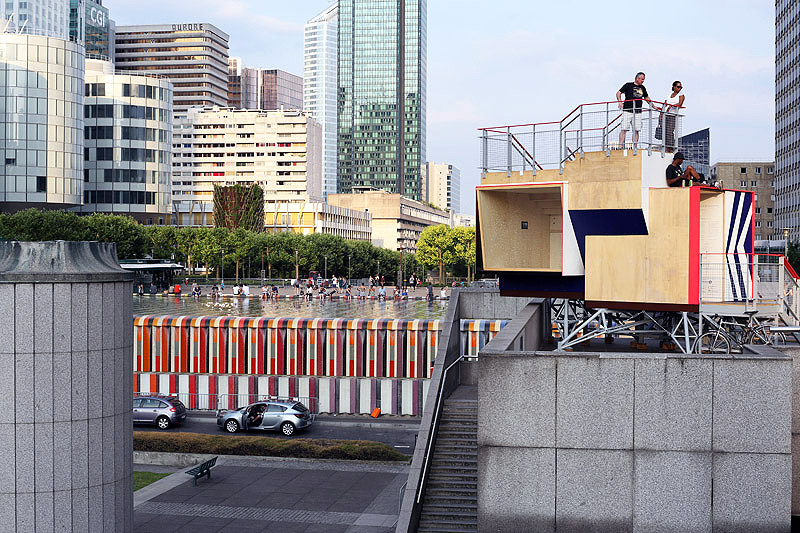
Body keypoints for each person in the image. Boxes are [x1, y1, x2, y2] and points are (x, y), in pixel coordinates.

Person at [616, 72, 659, 147]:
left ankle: (634, 146)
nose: (643, 81)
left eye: (643, 80)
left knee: (636, 130)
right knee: (624, 129)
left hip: (638, 112)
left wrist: (653, 106)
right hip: (627, 110)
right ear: (637, 78)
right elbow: (618, 93)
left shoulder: (643, 87)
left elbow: (646, 97)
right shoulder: (628, 85)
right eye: (642, 79)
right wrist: (620, 102)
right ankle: (620, 146)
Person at [660, 81, 685, 152]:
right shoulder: (669, 95)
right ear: (674, 87)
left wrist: (671, 106)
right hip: (666, 114)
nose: (680, 88)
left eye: (681, 87)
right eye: (678, 87)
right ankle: (665, 146)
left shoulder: (681, 95)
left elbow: (680, 104)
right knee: (664, 131)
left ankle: (670, 147)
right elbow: (664, 104)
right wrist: (661, 114)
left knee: (670, 131)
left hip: (673, 115)